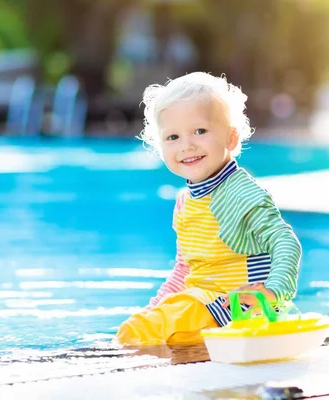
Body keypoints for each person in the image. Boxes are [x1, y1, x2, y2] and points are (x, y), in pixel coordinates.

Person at [115, 72, 302, 346]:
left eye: (200, 131)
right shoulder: (186, 202)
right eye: (173, 137)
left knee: (136, 335)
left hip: (234, 310)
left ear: (231, 138)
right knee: (140, 326)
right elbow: (184, 270)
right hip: (200, 304)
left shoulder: (242, 194)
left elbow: (286, 243)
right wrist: (153, 307)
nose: (187, 145)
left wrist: (273, 292)